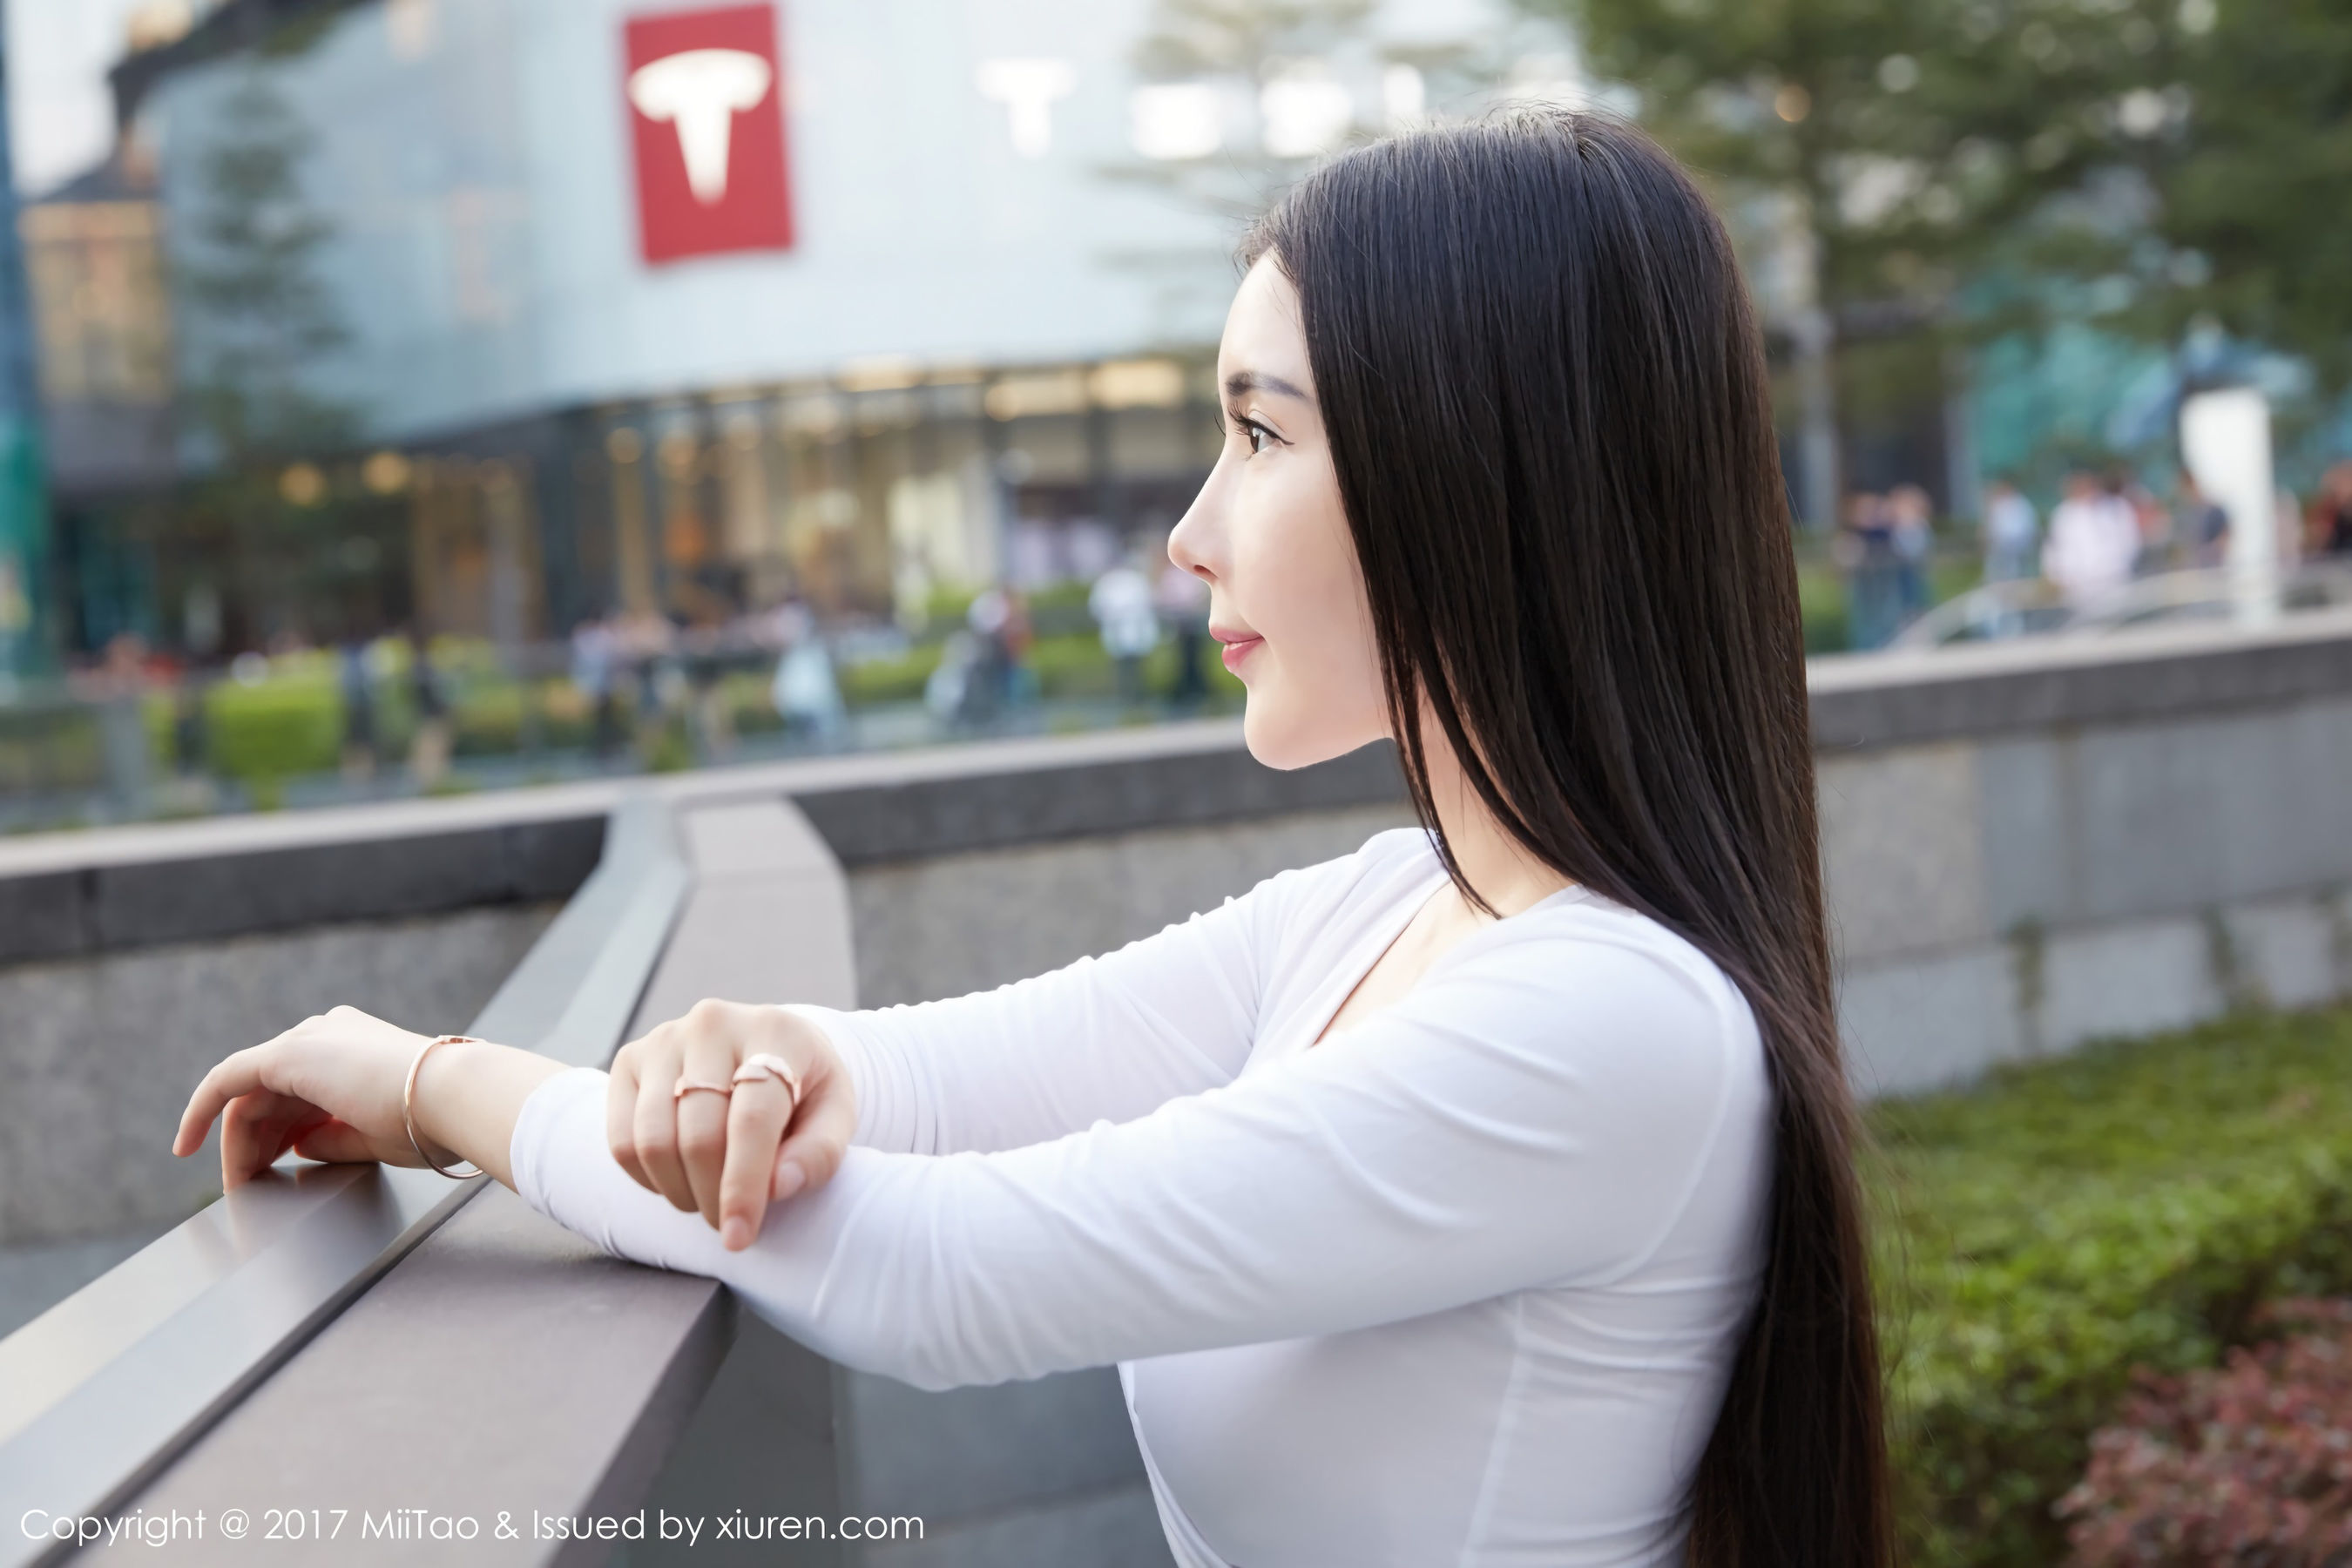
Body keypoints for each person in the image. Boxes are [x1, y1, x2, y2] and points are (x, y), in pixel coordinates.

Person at [172, 112, 1889, 1568]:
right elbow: (908, 1082)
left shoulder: (1609, 1026)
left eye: (1259, 433)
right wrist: (746, 1065)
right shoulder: (1386, 913)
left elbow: (938, 1279)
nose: (1190, 531)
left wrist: (430, 1088)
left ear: (1474, 473)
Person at [2042, 469, 2139, 612]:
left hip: (2116, 582)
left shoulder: (2116, 507)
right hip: (2079, 590)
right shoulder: (2063, 515)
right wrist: (2061, 576)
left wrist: (2114, 568)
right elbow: (2054, 550)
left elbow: (2130, 542)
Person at [1088, 550, 1161, 706]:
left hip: (1136, 629)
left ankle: (1140, 698)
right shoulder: (1108, 582)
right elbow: (1099, 607)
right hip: (1117, 630)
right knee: (1123, 669)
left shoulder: (1135, 580)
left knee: (1138, 668)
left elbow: (1146, 604)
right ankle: (1127, 699)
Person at [1155, 540, 1213, 706]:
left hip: (1192, 621)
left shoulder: (1189, 575)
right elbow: (1165, 598)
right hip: (1179, 623)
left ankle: (1198, 689)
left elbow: (1200, 594)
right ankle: (1185, 690)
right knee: (1182, 658)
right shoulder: (1171, 575)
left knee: (1196, 656)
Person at [1982, 476, 2038, 584]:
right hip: (2000, 546)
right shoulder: (1997, 505)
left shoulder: (2021, 504)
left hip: (2017, 545)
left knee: (2015, 573)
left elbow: (2026, 528)